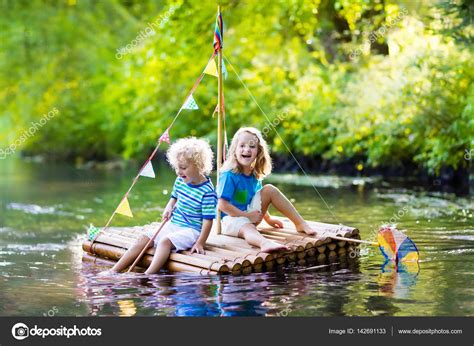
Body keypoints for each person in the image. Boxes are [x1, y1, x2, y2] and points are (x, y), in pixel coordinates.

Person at [106, 137, 217, 274]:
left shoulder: (207, 192)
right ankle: (114, 270)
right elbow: (174, 197)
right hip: (174, 224)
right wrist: (169, 207)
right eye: (177, 168)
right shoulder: (180, 180)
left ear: (199, 165)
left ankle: (148, 275)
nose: (179, 172)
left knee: (164, 241)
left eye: (183, 168)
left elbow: (208, 221)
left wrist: (200, 242)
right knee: (145, 238)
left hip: (191, 230)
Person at [217, 127, 316, 253]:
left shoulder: (253, 174)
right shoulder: (229, 174)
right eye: (242, 145)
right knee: (247, 227)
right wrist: (246, 216)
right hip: (230, 220)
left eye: (252, 146)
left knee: (269, 189)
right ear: (234, 150)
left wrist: (268, 219)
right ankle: (264, 243)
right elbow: (222, 204)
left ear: (258, 152)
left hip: (249, 216)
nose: (246, 149)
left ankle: (300, 223)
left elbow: (256, 200)